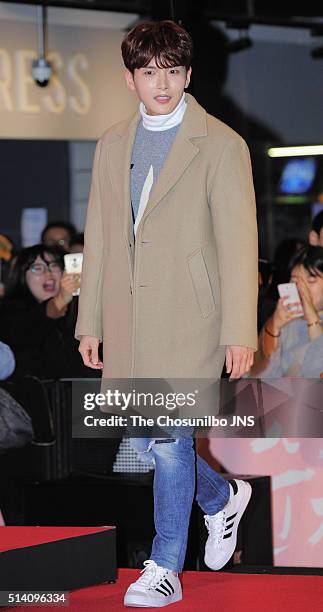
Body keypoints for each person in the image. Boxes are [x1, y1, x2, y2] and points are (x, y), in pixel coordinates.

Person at [75, 20, 258, 607]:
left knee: (172, 440)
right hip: (128, 322)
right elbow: (100, 238)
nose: (163, 83)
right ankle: (222, 497)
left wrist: (238, 329)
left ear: (188, 74)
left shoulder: (222, 144)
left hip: (192, 319)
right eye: (150, 72)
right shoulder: (110, 144)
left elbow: (237, 243)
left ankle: (163, 566)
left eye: (173, 71)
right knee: (153, 441)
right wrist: (91, 320)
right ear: (129, 78)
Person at [0, 244, 87, 379]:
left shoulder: (79, 312)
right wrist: (59, 300)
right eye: (38, 268)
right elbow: (22, 332)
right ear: (21, 276)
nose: (48, 273)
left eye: (54, 266)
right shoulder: (9, 313)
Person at [249, 245, 323, 378]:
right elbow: (255, 376)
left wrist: (312, 319)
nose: (301, 288)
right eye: (295, 281)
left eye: (310, 281)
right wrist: (274, 327)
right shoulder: (286, 322)